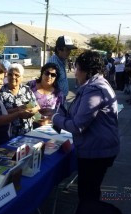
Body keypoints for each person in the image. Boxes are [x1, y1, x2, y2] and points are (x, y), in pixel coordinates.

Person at [51, 51, 119, 202]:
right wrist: (61, 113)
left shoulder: (94, 90)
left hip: (96, 151)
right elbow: (79, 114)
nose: (75, 74)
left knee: (88, 194)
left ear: (87, 71)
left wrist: (55, 118)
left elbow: (77, 125)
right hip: (96, 148)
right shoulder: (95, 85)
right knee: (90, 191)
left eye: (76, 69)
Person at [0, 63, 39, 137]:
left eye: (17, 75)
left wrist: (33, 111)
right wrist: (17, 110)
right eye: (10, 74)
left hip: (27, 131)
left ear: (22, 77)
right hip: (9, 134)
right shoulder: (1, 91)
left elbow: (36, 106)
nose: (13, 77)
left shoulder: (26, 89)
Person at [47, 36, 77, 102]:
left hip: (61, 98)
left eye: (70, 50)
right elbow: (48, 84)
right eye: (67, 49)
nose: (69, 52)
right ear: (58, 49)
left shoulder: (61, 60)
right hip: (54, 100)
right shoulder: (53, 64)